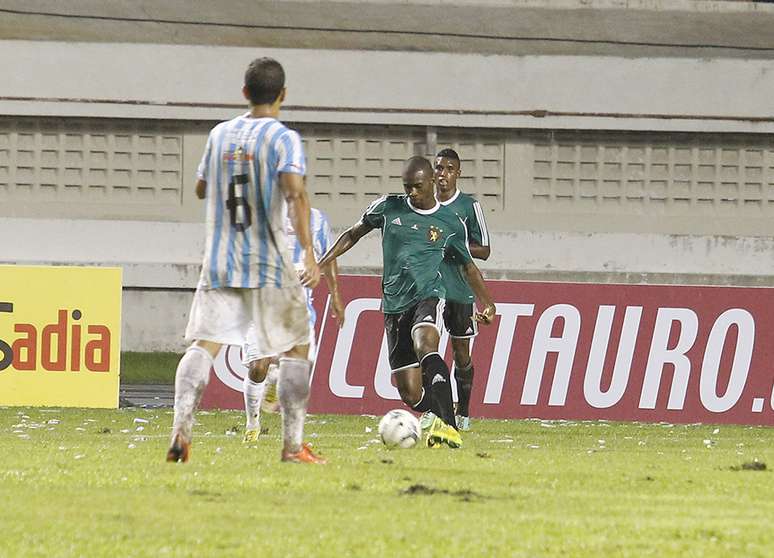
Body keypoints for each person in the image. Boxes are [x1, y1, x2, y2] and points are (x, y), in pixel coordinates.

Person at [166, 57, 326, 465]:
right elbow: (295, 194)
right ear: (283, 95)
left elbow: (201, 188)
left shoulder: (219, 134)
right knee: (297, 348)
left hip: (221, 259)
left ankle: (180, 431)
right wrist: (309, 253)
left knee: (204, 345)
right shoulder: (283, 138)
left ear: (244, 93)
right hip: (268, 261)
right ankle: (293, 446)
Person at [318, 156, 496, 449]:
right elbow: (353, 234)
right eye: (407, 187)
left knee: (426, 344)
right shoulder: (388, 207)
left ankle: (449, 427)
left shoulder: (450, 222)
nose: (412, 192)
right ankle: (440, 406)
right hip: (393, 304)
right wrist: (321, 262)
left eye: (417, 186)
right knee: (410, 394)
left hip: (429, 295)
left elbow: (468, 267)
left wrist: (488, 303)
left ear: (431, 182)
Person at [242, 206, 344, 443]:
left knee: (299, 370)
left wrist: (336, 294)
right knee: (258, 367)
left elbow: (328, 257)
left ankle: (275, 377)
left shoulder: (317, 219)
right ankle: (252, 425)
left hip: (298, 309)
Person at [426, 148, 491, 431]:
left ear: (458, 173)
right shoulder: (424, 205)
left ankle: (463, 411)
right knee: (426, 348)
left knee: (461, 354)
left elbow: (484, 250)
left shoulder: (468, 206)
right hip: (429, 288)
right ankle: (433, 409)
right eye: (439, 168)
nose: (443, 174)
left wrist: (453, 243)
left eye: (449, 169)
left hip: (459, 289)